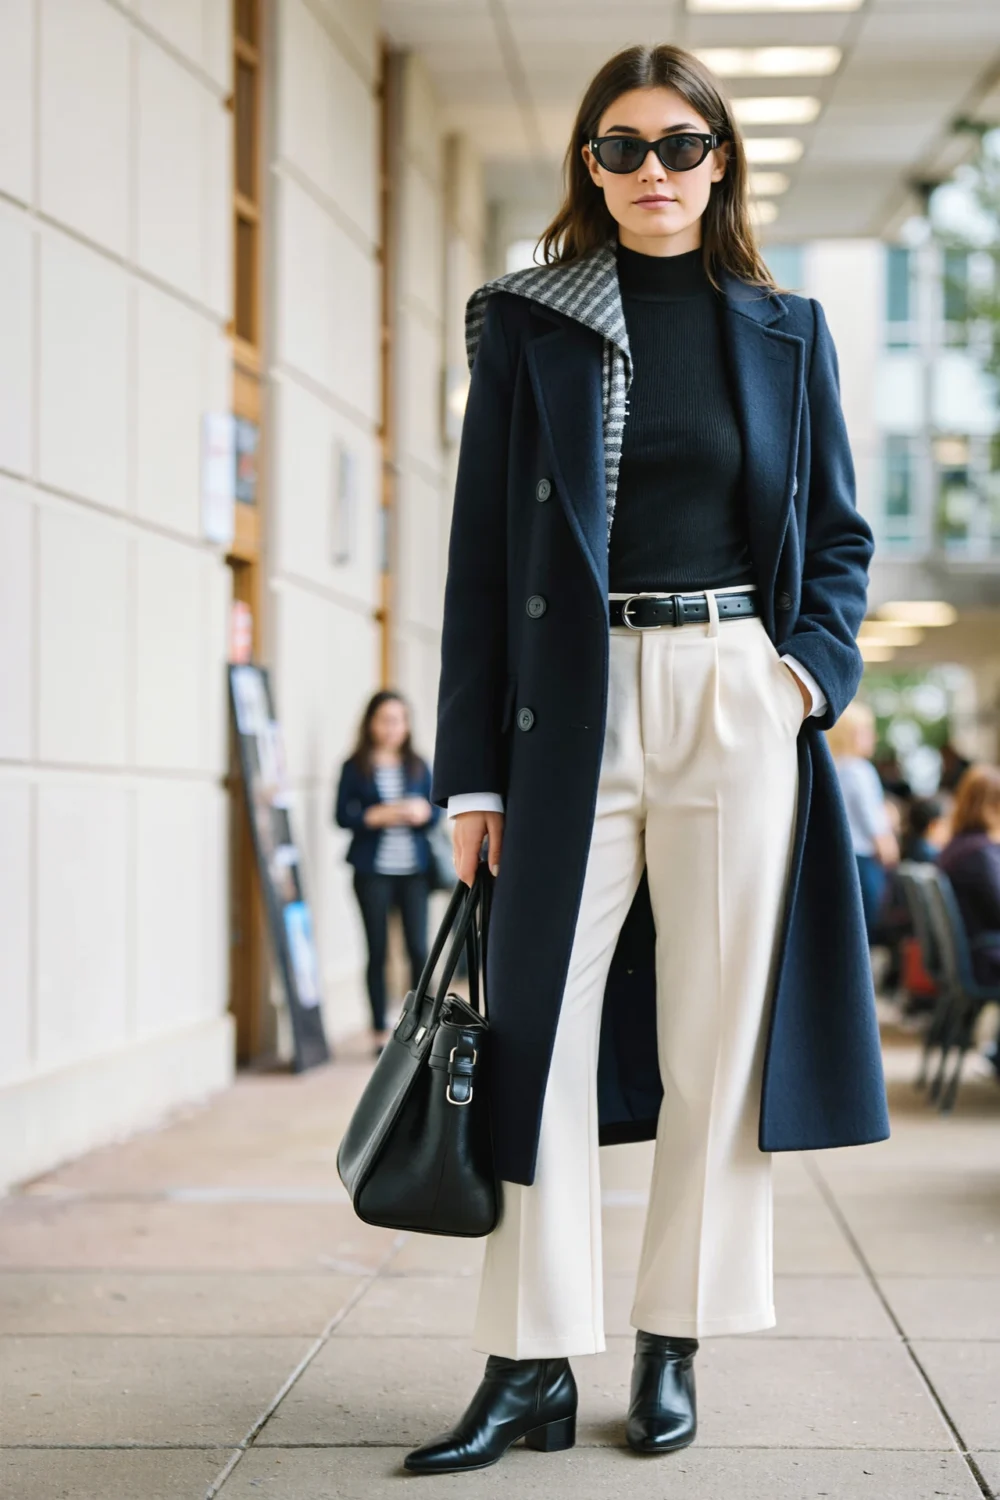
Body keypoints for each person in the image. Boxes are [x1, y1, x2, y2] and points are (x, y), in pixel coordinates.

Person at [408, 43, 889, 1477]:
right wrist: (470, 776)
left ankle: (674, 1340)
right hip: (573, 704)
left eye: (681, 146)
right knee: (534, 1034)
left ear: (721, 160)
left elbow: (843, 543)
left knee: (715, 1044)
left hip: (735, 693)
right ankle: (530, 1362)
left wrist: (802, 675)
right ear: (590, 167)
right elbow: (479, 567)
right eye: (623, 149)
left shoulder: (787, 328)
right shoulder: (531, 325)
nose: (654, 173)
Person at [335, 691, 439, 1054]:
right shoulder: (355, 765)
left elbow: (436, 812)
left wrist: (423, 812)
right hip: (372, 872)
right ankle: (379, 1031)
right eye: (384, 719)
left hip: (414, 872)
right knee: (376, 950)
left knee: (418, 949)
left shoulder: (419, 765)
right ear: (371, 723)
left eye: (399, 719)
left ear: (407, 725)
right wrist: (374, 815)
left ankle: (421, 1027)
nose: (392, 727)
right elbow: (341, 815)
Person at [828, 701, 899, 941]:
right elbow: (876, 827)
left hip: (842, 859)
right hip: (865, 862)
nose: (873, 737)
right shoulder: (860, 770)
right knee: (866, 932)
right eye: (866, 731)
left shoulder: (832, 767)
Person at [937, 765, 1000, 987]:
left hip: (971, 954)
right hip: (986, 958)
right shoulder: (980, 854)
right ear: (992, 807)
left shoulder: (957, 848)